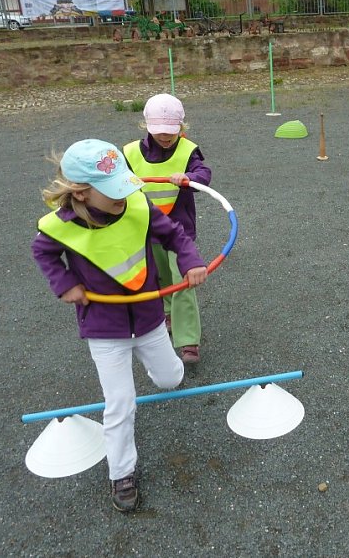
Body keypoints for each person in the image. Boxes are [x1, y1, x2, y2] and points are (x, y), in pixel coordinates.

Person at [32, 139, 207, 512]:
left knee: (169, 380)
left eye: (125, 186)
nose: (123, 197)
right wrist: (64, 284)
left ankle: (162, 365)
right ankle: (121, 474)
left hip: (148, 317)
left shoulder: (138, 206)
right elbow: (43, 254)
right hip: (102, 326)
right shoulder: (58, 228)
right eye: (112, 192)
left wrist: (190, 260)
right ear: (79, 193)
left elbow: (174, 234)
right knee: (120, 403)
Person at [123, 93, 212, 365]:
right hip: (147, 229)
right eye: (159, 132)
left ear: (181, 128)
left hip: (180, 229)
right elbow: (117, 184)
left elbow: (204, 173)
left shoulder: (188, 151)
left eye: (171, 132)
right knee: (159, 278)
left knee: (184, 281)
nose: (165, 136)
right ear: (147, 127)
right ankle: (168, 313)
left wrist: (189, 178)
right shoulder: (129, 153)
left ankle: (188, 343)